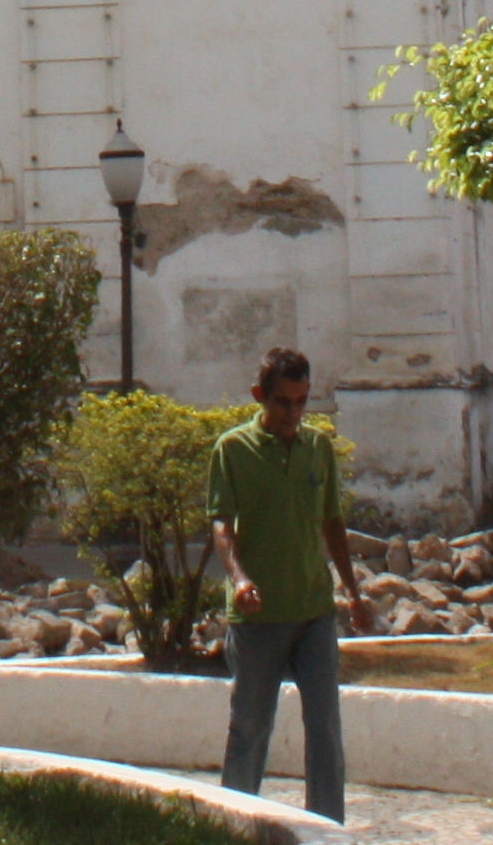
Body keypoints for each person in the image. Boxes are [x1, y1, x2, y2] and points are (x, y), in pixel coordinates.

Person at [207, 345, 361, 822]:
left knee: (325, 729)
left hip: (314, 610)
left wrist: (353, 593)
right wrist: (240, 578)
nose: (294, 413)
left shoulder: (318, 447)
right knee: (250, 728)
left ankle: (327, 828)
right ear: (260, 396)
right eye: (283, 402)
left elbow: (332, 523)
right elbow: (221, 525)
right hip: (258, 618)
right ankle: (236, 825)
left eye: (302, 402)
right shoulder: (232, 450)